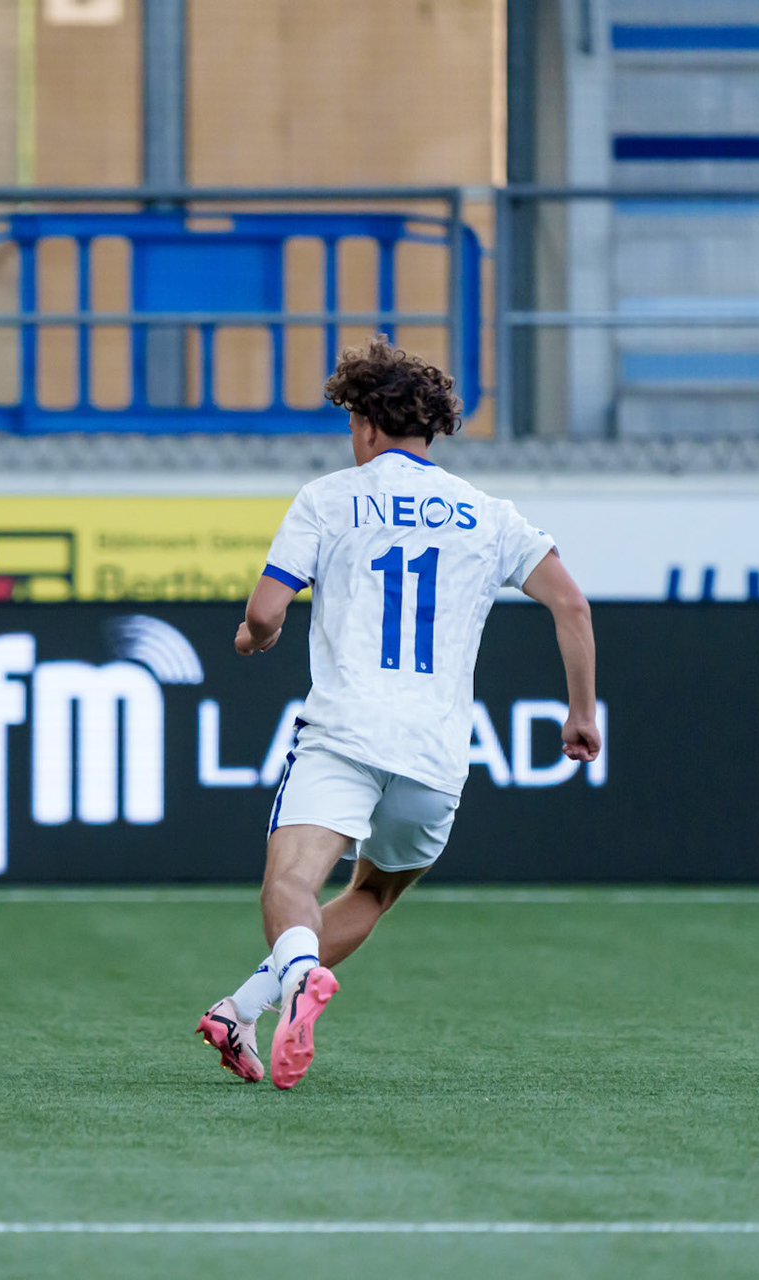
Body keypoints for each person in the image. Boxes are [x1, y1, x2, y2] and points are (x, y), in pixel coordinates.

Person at [196, 338, 601, 1090]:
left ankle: (296, 982)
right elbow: (571, 603)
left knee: (289, 884)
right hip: (435, 753)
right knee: (374, 891)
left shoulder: (330, 496)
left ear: (367, 424)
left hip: (346, 733)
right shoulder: (489, 514)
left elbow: (264, 608)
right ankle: (241, 1010)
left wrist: (259, 635)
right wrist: (581, 715)